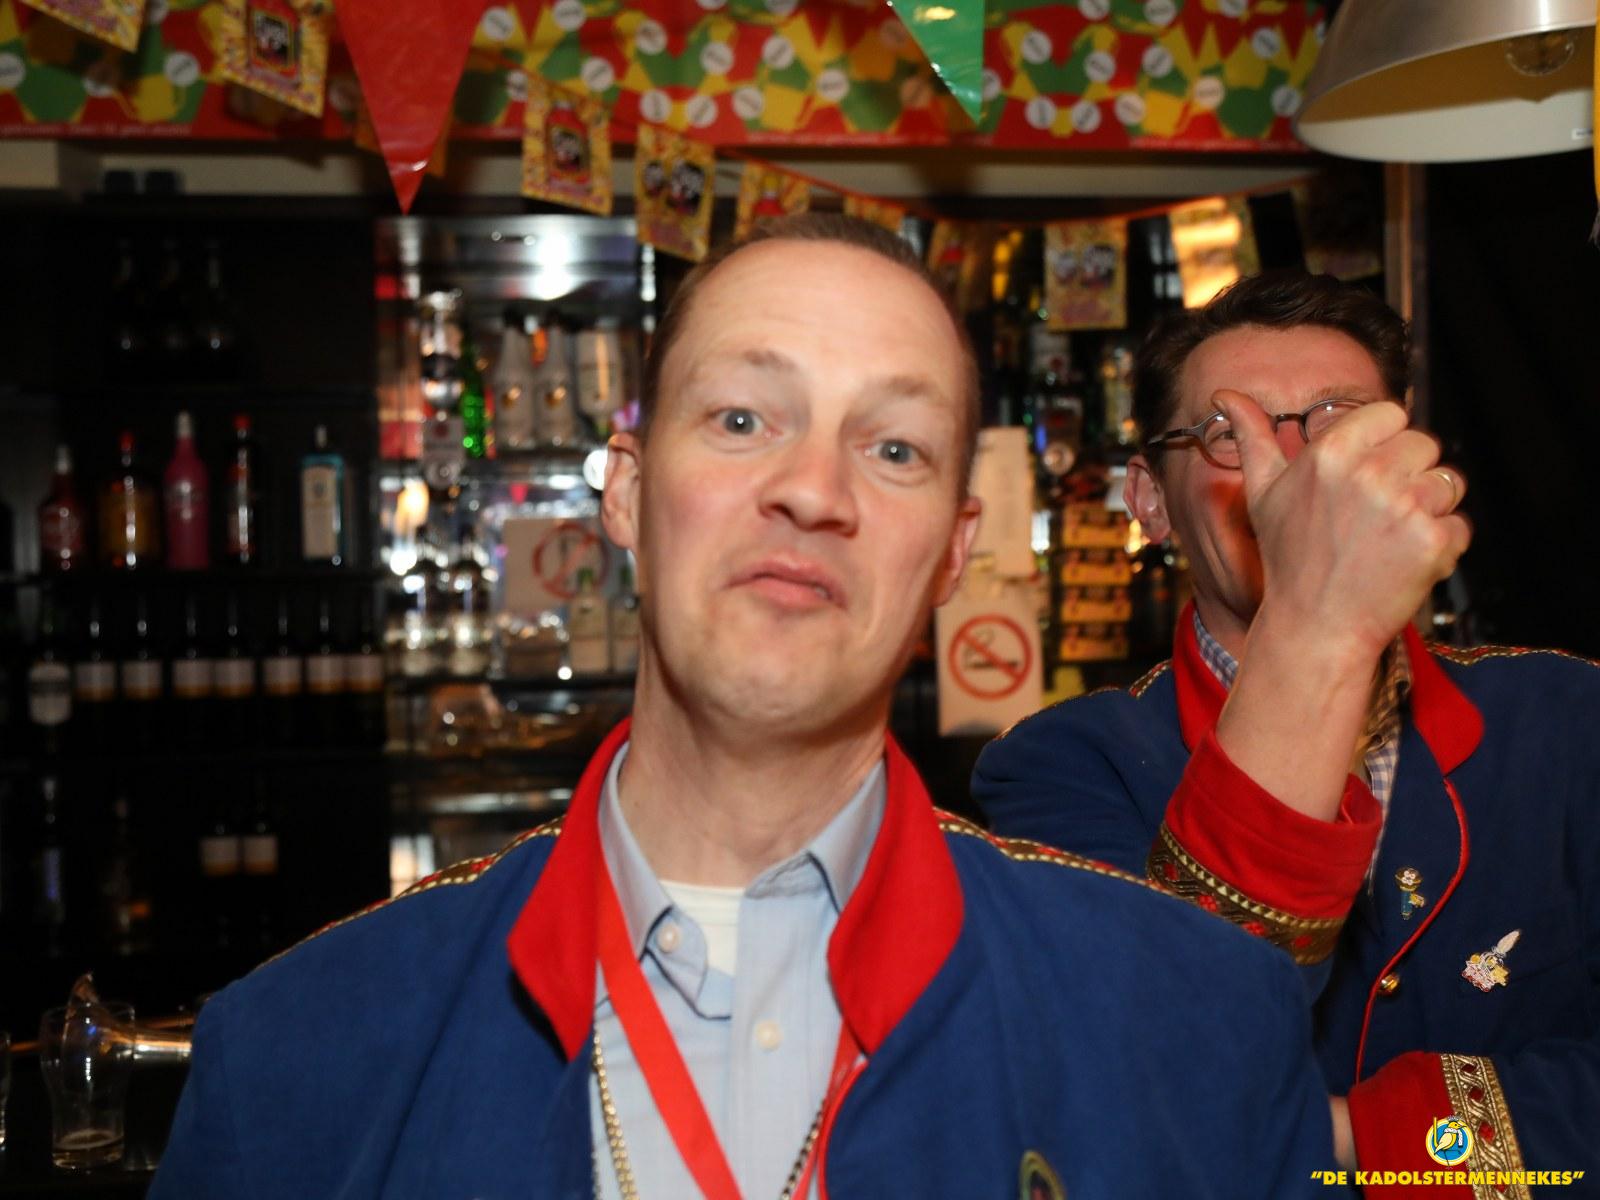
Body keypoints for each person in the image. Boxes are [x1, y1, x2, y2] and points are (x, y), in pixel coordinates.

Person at [152, 218, 1338, 1198]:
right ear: (626, 493)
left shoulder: (1190, 1020)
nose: (812, 490)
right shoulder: (297, 1057)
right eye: (739, 420)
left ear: (950, 552)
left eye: (893, 449)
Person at [974, 272, 1600, 1192]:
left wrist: (1345, 1134)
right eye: (1232, 432)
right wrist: (1319, 620)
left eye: (1341, 425)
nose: (1301, 468)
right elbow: (1142, 1077)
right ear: (1150, 501)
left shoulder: (1569, 716)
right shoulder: (1067, 766)